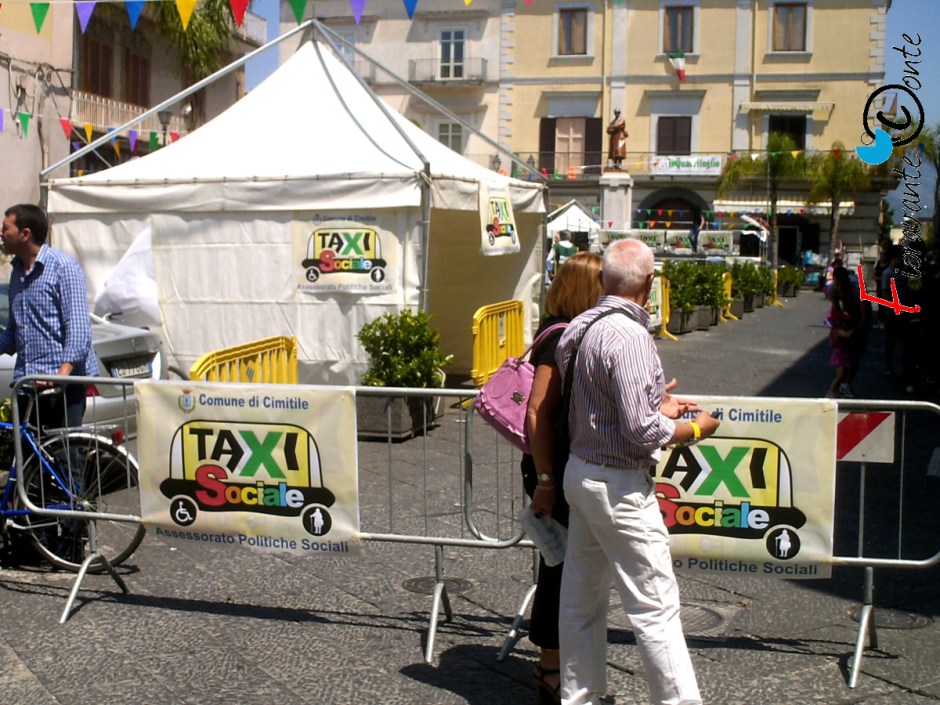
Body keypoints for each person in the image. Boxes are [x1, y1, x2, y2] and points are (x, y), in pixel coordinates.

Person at [555, 238, 719, 705]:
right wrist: (696, 428)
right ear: (649, 282)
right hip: (619, 485)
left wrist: (655, 404)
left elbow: (595, 404)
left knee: (581, 602)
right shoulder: (631, 337)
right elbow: (642, 429)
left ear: (603, 279)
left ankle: (580, 696)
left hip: (581, 472)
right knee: (656, 608)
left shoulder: (579, 327)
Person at [522, 251, 604, 705]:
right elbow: (537, 411)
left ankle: (559, 663)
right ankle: (551, 666)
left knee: (568, 567)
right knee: (560, 570)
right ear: (586, 290)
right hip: (550, 468)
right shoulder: (559, 338)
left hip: (556, 466)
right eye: (602, 284)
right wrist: (546, 482)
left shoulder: (569, 333)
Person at [0, 204, 98, 430]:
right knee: (29, 451)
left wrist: (60, 376)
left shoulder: (63, 267)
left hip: (62, 387)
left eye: (5, 228)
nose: (1, 233)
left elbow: (79, 330)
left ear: (25, 234)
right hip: (28, 385)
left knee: (63, 451)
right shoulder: (17, 273)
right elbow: (14, 335)